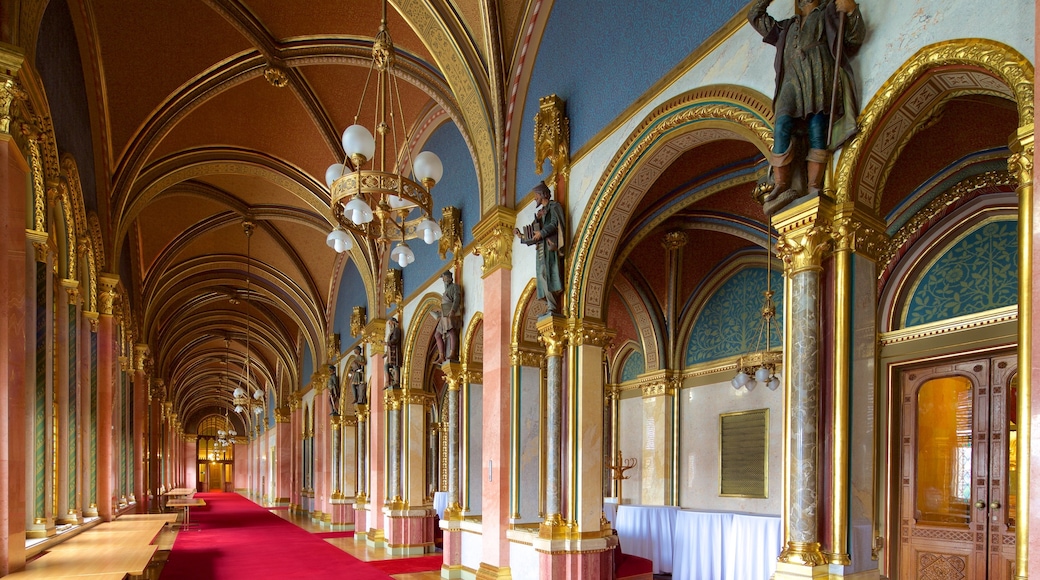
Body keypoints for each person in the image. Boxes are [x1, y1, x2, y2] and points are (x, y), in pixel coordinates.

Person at [748, 0, 865, 213]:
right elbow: (755, 16)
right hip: (792, 80)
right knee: (782, 124)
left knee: (817, 126)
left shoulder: (828, 14)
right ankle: (782, 184)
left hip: (819, 74)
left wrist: (851, 11)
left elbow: (853, 39)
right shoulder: (787, 26)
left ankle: (813, 185)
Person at [514, 181, 566, 315]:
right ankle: (550, 305)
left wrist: (542, 233)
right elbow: (533, 233)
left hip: (549, 248)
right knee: (542, 277)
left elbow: (555, 223)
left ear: (542, 194)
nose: (534, 198)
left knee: (547, 274)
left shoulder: (554, 207)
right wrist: (522, 236)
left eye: (536, 195)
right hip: (541, 250)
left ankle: (552, 307)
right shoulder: (540, 213)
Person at [433, 271, 462, 363]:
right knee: (437, 334)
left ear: (449, 277)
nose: (443, 280)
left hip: (450, 312)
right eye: (443, 278)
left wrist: (453, 310)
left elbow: (457, 298)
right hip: (444, 315)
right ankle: (441, 356)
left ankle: (453, 352)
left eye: (444, 278)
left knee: (451, 331)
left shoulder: (454, 287)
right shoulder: (446, 290)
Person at [384, 317, 402, 389]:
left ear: (394, 323)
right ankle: (387, 382)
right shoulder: (391, 332)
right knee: (386, 366)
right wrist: (386, 353)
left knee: (395, 365)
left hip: (395, 351)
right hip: (390, 353)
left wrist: (386, 343)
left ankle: (397, 381)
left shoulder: (396, 330)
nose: (389, 324)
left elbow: (395, 339)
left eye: (390, 323)